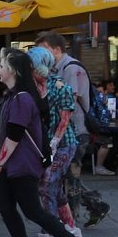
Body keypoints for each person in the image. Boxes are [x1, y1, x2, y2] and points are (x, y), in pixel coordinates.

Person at [0, 48, 90, 237]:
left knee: (32, 210)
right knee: (6, 206)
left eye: (2, 66)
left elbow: (14, 136)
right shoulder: (11, 96)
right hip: (11, 164)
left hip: (22, 164)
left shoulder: (22, 99)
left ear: (13, 70)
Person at [36, 31, 111, 225]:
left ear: (57, 50)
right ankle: (95, 205)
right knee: (67, 175)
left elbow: (69, 99)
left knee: (70, 177)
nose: (41, 55)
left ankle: (71, 221)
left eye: (44, 49)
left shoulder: (71, 68)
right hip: (65, 131)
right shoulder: (54, 69)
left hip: (76, 130)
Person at [27, 47, 83, 237]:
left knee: (47, 185)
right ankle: (71, 229)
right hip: (46, 144)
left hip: (64, 144)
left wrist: (54, 141)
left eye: (30, 65)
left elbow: (65, 119)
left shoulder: (60, 86)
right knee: (55, 188)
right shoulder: (35, 87)